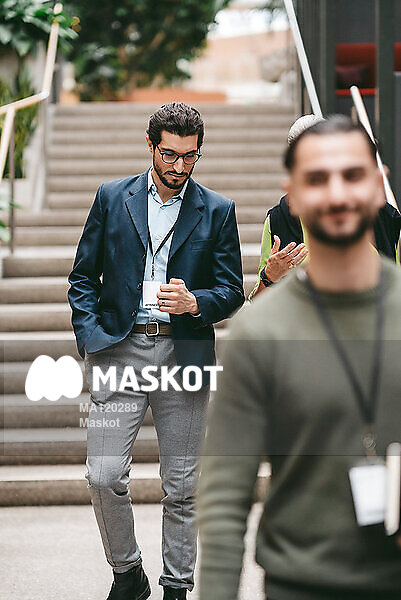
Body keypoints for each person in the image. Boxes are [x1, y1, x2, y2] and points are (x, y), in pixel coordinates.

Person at [198, 115, 401, 600]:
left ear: (379, 184)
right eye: (317, 178)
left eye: (352, 174)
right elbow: (225, 500)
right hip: (299, 584)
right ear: (292, 193)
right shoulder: (258, 333)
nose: (336, 193)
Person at [67, 102, 244, 600]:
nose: (179, 166)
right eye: (169, 154)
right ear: (150, 145)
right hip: (118, 351)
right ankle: (128, 575)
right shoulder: (111, 197)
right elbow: (83, 278)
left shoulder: (218, 210)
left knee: (183, 486)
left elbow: (232, 289)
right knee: (103, 476)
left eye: (190, 156)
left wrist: (196, 302)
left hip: (182, 353)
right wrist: (92, 339)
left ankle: (176, 587)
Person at [249, 115, 401, 300]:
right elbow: (258, 301)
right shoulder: (279, 220)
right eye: (315, 176)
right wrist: (270, 277)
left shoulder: (383, 216)